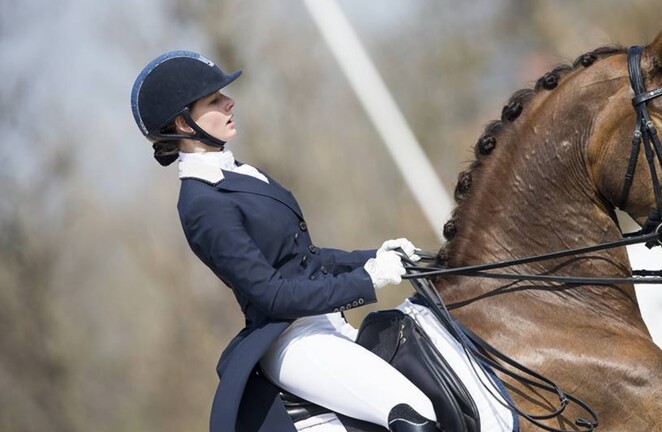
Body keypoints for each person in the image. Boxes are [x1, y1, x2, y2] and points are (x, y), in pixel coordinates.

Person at [131, 50, 438, 432]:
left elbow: (301, 259)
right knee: (414, 413)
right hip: (292, 338)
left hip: (325, 321)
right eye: (214, 100)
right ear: (183, 122)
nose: (230, 101)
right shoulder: (202, 204)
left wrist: (375, 256)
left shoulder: (240, 173)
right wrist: (368, 281)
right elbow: (273, 294)